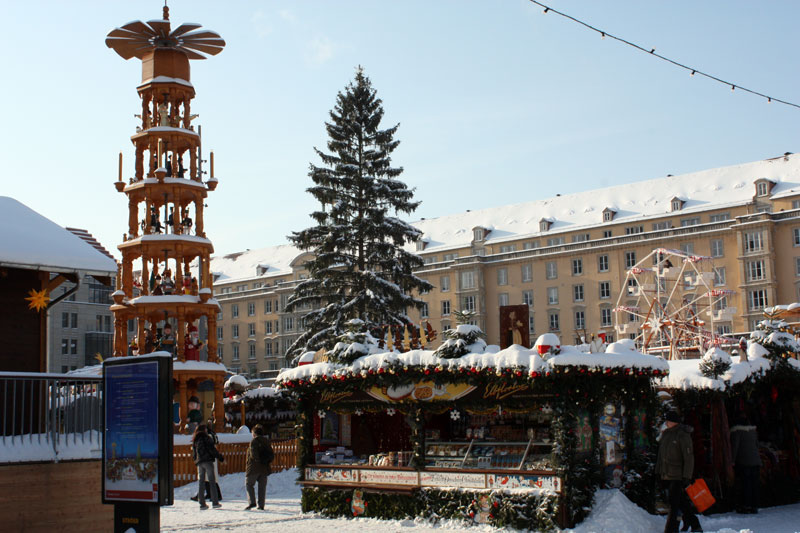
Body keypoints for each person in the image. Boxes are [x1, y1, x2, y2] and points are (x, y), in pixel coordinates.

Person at [656, 411, 702, 533]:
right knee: (680, 501)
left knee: (674, 502)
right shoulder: (666, 434)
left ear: (673, 422)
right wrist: (659, 471)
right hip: (667, 473)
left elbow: (688, 457)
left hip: (678, 474)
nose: (666, 422)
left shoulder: (682, 435)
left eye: (668, 420)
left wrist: (687, 476)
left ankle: (671, 529)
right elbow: (661, 455)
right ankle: (694, 523)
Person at [731, 414, 761, 514]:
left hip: (744, 461)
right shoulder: (753, 432)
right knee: (754, 484)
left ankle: (746, 505)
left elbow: (735, 447)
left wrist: (733, 460)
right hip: (756, 460)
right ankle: (754, 505)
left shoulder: (737, 432)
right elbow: (757, 445)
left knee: (746, 484)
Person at [192, 423, 224, 509]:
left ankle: (202, 503)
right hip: (208, 461)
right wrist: (220, 457)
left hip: (200, 462)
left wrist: (196, 461)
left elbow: (194, 453)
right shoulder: (207, 438)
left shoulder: (196, 439)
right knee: (212, 482)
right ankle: (215, 502)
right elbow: (212, 449)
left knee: (201, 483)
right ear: (204, 430)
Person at [245, 424, 274, 510]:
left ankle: (252, 502)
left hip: (254, 467)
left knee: (249, 484)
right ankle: (261, 505)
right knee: (262, 487)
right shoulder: (266, 441)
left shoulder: (254, 441)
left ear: (254, 433)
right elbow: (271, 454)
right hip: (264, 467)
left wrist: (257, 460)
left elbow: (254, 455)